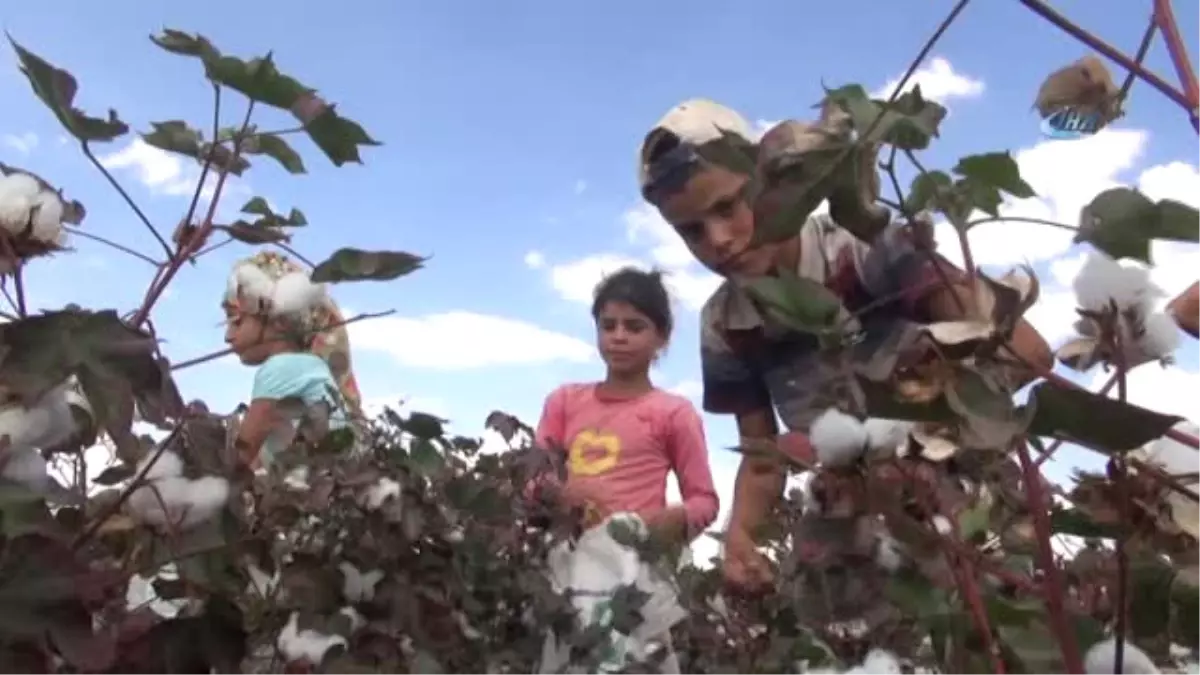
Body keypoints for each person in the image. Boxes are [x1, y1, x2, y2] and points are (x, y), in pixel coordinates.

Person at [636, 99, 1054, 591]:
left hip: (974, 509)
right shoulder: (725, 323)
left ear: (769, 180)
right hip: (861, 532)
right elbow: (763, 455)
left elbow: (1025, 352)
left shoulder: (861, 247)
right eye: (692, 231)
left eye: (728, 206)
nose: (719, 240)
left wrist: (912, 440)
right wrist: (741, 539)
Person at [532, 266, 719, 674]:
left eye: (635, 326)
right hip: (570, 568)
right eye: (608, 325)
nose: (618, 336)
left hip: (636, 575)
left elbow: (705, 500)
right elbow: (531, 479)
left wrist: (673, 520)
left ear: (661, 338)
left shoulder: (673, 414)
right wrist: (560, 492)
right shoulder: (565, 401)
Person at [221, 251, 365, 469]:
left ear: (280, 320)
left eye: (236, 320)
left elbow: (240, 458)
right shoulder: (310, 368)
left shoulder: (281, 368)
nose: (227, 336)